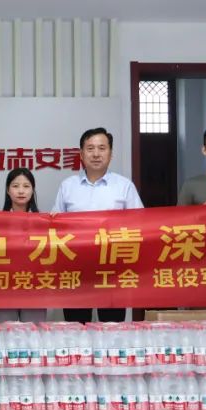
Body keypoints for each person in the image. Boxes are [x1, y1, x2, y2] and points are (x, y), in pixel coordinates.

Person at [53, 127, 143, 324]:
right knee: (76, 326)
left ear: (111, 153)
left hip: (112, 269)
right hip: (75, 269)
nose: (96, 154)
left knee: (112, 327)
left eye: (102, 148)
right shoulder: (68, 186)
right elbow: (55, 227)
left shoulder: (124, 186)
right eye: (90, 148)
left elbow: (140, 225)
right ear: (81, 154)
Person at [0, 168, 46, 324]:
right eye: (15, 186)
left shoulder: (43, 222)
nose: (21, 191)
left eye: (26, 186)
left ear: (33, 190)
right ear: (8, 191)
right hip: (4, 286)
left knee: (33, 332)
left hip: (34, 285)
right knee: (3, 331)